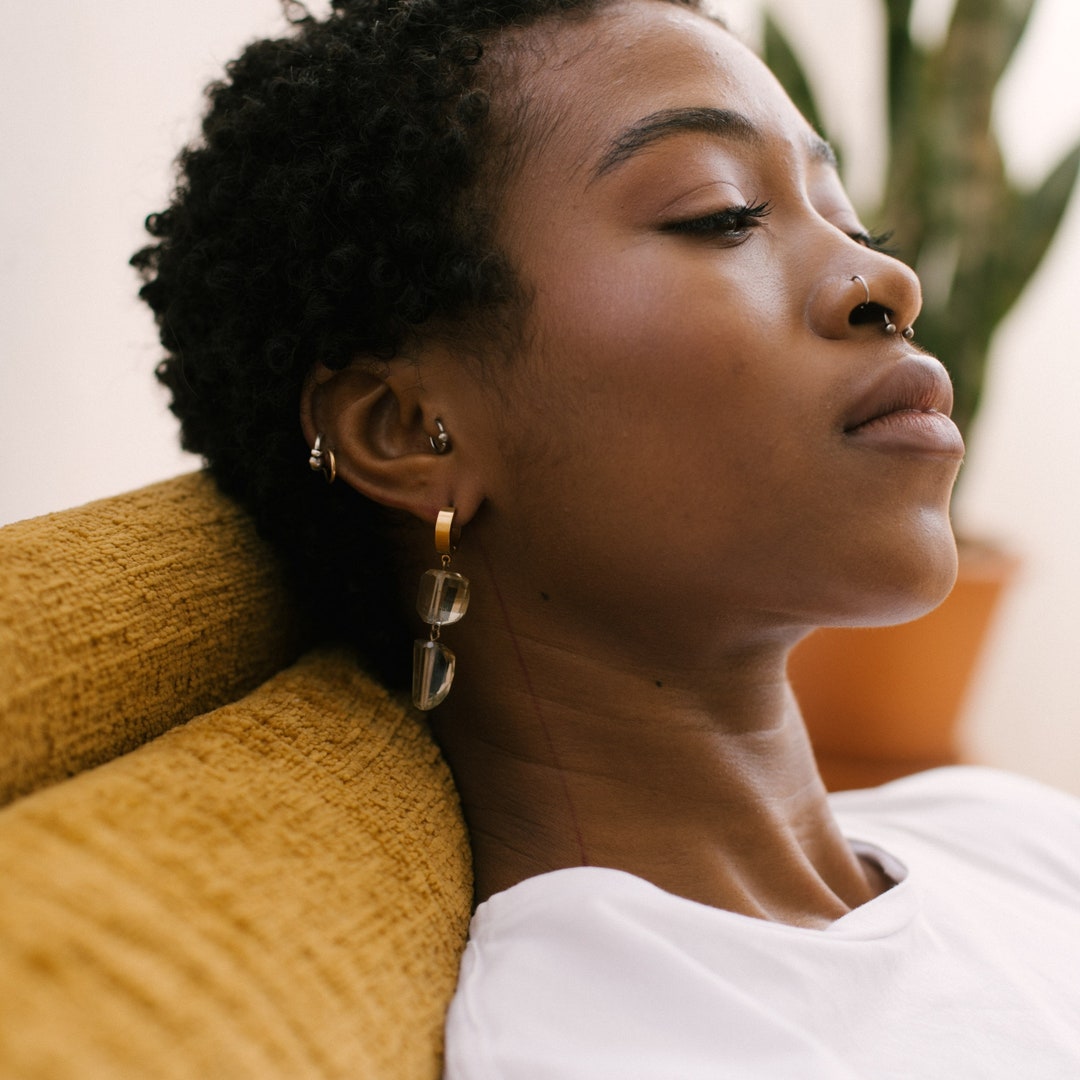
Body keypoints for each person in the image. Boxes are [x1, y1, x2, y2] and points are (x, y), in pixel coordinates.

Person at [133, 0, 1080, 1075]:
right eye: (721, 214)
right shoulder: (605, 1039)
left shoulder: (1003, 829)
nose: (889, 283)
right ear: (408, 428)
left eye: (858, 228)